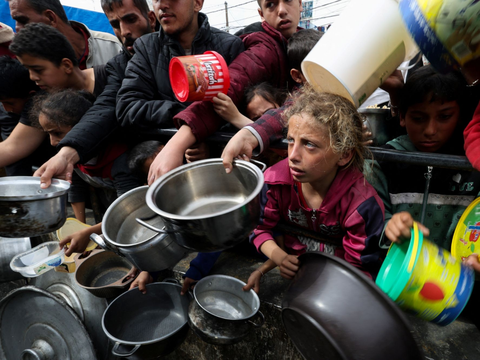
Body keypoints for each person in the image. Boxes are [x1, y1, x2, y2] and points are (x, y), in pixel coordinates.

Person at [144, 0, 303, 185]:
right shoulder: (263, 48)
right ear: (261, 14)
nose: (282, 11)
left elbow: (303, 103)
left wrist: (248, 128)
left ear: (300, 4)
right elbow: (230, 85)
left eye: (288, 1)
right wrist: (176, 144)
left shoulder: (313, 44)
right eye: (271, 5)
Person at [245, 88, 385, 293]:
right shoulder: (275, 183)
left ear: (344, 154)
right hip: (300, 278)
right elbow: (258, 228)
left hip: (340, 288)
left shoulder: (361, 206)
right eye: (291, 140)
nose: (292, 155)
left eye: (309, 145)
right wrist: (279, 258)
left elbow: (360, 271)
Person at [33, 0, 158, 189]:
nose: (124, 32)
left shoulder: (193, 51)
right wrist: (65, 155)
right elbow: (107, 106)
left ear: (151, 19)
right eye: (115, 24)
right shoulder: (119, 66)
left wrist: (184, 137)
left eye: (131, 19)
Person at [367, 66, 480, 255]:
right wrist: (389, 226)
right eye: (418, 118)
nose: (430, 130)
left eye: (444, 117)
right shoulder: (382, 163)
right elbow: (369, 221)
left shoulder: (473, 164)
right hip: (400, 277)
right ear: (402, 116)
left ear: (460, 115)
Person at [31, 89, 142, 256]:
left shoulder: (120, 159)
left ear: (83, 127)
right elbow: (76, 187)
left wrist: (89, 233)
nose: (53, 142)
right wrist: (78, 227)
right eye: (48, 134)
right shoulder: (72, 155)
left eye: (57, 133)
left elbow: (129, 209)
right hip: (111, 215)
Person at [115, 0, 244, 139]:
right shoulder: (147, 48)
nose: (162, 6)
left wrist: (210, 144)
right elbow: (127, 108)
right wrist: (181, 114)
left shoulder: (230, 47)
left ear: (197, 3)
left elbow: (239, 110)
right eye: (157, 0)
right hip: (165, 149)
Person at [0, 23, 108, 171]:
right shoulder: (44, 101)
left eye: (38, 70)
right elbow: (11, 147)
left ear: (67, 65)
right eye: (29, 70)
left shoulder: (111, 79)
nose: (32, 77)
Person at [220, 29, 323, 173]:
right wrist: (248, 134)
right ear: (298, 76)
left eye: (328, 62)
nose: (326, 71)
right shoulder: (301, 98)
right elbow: (284, 114)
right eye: (316, 69)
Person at [7, 0, 121, 69]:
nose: (17, 28)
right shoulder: (31, 65)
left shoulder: (113, 47)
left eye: (23, 20)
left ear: (51, 18)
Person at [0, 56, 40, 175]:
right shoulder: (6, 111)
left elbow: (13, 148)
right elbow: (12, 156)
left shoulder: (42, 102)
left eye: (10, 103)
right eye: (2, 103)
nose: (7, 109)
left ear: (31, 95)